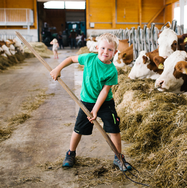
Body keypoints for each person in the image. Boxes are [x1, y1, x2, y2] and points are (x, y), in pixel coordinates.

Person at [49, 33, 132, 171]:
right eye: (103, 48)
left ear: (115, 52)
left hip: (106, 103)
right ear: (97, 47)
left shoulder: (112, 71)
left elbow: (104, 92)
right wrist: (58, 69)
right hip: (86, 102)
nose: (106, 52)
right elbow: (70, 59)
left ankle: (118, 157)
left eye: (110, 50)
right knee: (78, 129)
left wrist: (95, 109)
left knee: (114, 129)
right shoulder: (88, 58)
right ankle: (71, 153)